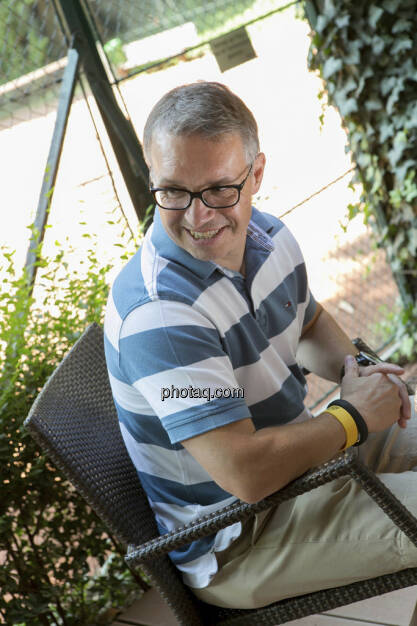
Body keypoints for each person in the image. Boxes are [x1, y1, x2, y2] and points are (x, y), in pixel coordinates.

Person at [104, 81, 416, 609]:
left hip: (308, 457)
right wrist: (355, 417)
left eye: (220, 189)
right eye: (173, 191)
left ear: (257, 175)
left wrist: (358, 374)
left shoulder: (268, 237)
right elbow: (245, 474)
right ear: (152, 180)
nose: (198, 216)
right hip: (242, 537)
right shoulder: (159, 315)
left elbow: (310, 321)